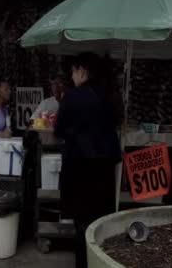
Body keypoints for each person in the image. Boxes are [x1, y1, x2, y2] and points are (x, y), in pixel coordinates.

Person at [54, 53, 121, 268]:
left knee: (82, 223)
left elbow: (59, 130)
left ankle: (84, 264)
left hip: (80, 168)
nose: (72, 76)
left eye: (73, 71)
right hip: (104, 169)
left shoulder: (72, 97)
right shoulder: (111, 97)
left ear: (82, 71)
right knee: (101, 220)